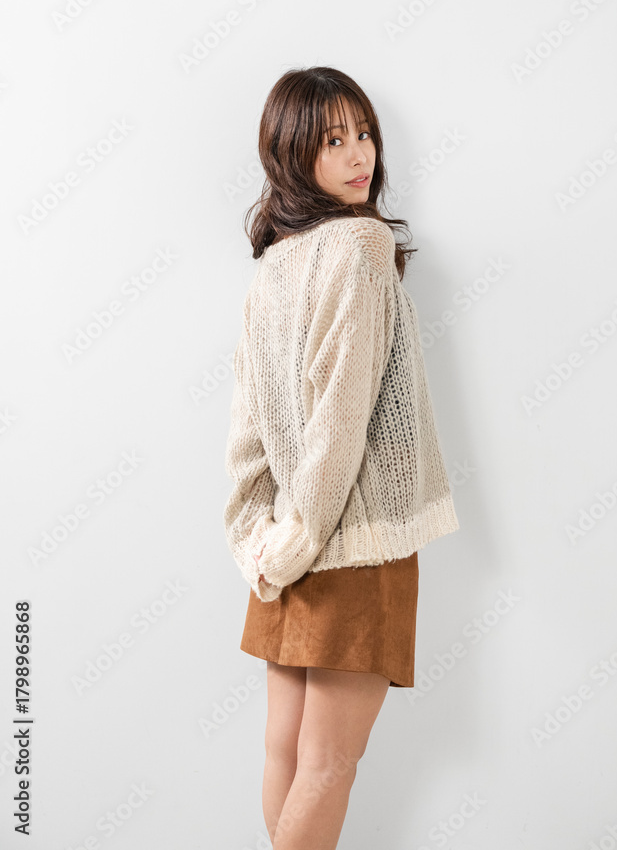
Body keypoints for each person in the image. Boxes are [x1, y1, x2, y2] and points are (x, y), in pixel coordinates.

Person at [223, 66, 460, 848]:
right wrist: (301, 539)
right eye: (333, 141)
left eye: (363, 134)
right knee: (326, 766)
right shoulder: (360, 244)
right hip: (352, 544)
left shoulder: (272, 266)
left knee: (286, 754)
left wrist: (259, 537)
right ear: (293, 153)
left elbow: (247, 428)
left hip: (284, 547)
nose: (359, 154)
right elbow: (341, 418)